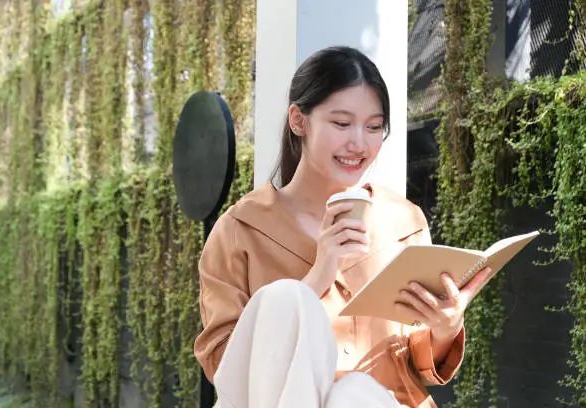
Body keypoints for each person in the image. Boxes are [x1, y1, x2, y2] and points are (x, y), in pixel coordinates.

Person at [194, 46, 490, 408]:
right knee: (287, 299)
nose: (358, 143)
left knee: (356, 394)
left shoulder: (404, 221)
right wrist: (317, 277)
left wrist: (444, 329)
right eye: (341, 123)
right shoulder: (241, 230)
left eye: (374, 127)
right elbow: (224, 364)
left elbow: (414, 364)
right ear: (299, 120)